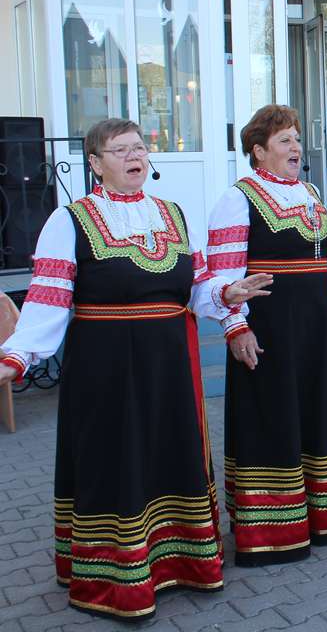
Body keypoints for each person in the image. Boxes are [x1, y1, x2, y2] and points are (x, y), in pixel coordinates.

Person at [0, 119, 270, 620]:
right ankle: (114, 579)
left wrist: (226, 295)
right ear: (95, 164)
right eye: (119, 149)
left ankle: (182, 563)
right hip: (105, 371)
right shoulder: (71, 219)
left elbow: (195, 285)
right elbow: (48, 299)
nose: (134, 156)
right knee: (115, 462)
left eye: (140, 147)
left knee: (170, 455)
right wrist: (17, 357)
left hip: (169, 366)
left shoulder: (172, 214)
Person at [206, 105, 327, 565]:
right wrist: (236, 327)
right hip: (270, 325)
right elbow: (223, 273)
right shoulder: (239, 198)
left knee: (318, 410)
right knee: (271, 416)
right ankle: (273, 531)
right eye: (284, 141)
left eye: (297, 139)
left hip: (315, 324)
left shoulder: (311, 193)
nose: (295, 147)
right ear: (259, 152)